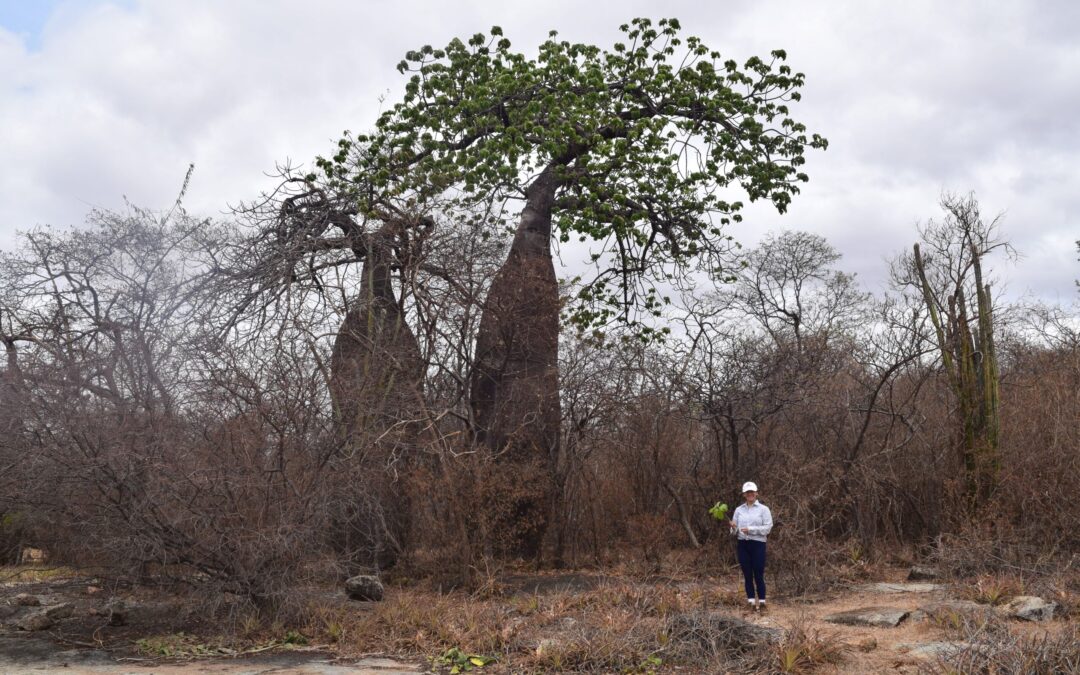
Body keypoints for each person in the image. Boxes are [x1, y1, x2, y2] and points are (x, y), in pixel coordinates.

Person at [729, 481, 773, 611]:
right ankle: (751, 603)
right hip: (743, 544)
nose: (750, 494)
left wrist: (751, 529)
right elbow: (734, 532)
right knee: (747, 573)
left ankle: (763, 603)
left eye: (752, 492)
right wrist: (733, 528)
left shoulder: (764, 509)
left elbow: (767, 528)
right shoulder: (738, 510)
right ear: (744, 494)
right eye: (747, 492)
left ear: (756, 493)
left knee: (758, 572)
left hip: (758, 544)